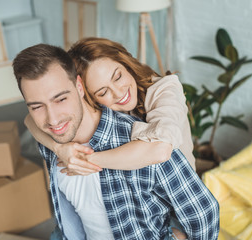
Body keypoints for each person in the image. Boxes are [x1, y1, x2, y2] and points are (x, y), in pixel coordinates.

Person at [13, 43, 220, 240]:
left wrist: (88, 159)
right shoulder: (54, 135)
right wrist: (59, 148)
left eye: (60, 99)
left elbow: (202, 211)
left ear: (79, 88)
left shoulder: (146, 137)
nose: (52, 119)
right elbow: (31, 121)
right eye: (37, 106)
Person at [24, 37, 195, 178]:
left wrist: (83, 161)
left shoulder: (165, 90)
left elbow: (160, 150)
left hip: (180, 196)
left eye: (118, 77)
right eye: (102, 91)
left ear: (126, 63)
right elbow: (29, 120)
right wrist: (59, 149)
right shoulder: (100, 113)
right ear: (85, 93)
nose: (118, 93)